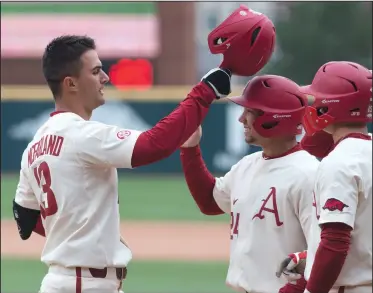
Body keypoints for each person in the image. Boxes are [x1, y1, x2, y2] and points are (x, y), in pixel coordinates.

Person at [12, 35, 234, 293]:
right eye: (96, 71)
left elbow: (24, 217)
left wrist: (73, 236)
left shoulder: (34, 145)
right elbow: (154, 145)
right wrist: (204, 92)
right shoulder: (83, 135)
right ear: (71, 83)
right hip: (86, 285)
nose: (105, 77)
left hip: (65, 281)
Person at [179, 74, 320, 293]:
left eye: (250, 112)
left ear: (273, 117)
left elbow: (321, 253)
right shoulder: (247, 165)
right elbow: (210, 202)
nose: (241, 118)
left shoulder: (308, 174)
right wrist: (190, 148)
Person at [277, 61, 372, 293]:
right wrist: (308, 258)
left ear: (332, 105)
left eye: (318, 99)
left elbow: (335, 244)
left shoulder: (339, 163)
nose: (313, 105)